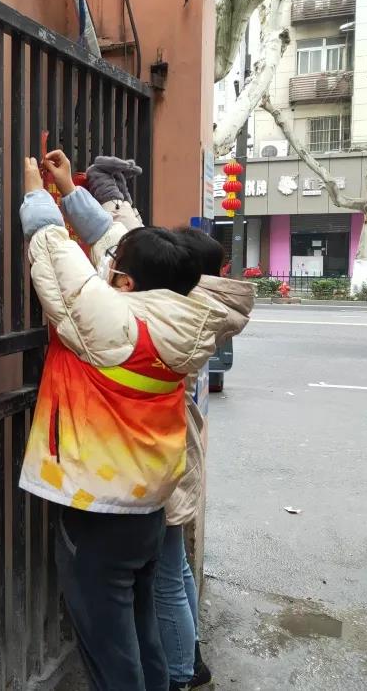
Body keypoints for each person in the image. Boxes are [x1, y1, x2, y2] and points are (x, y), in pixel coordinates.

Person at [18, 151, 233, 691]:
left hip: (100, 510)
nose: (108, 273)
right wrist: (72, 193)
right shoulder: (184, 313)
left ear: (130, 285)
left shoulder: (119, 327)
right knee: (141, 633)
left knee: (109, 650)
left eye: (116, 274)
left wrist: (38, 197)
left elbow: (61, 267)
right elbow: (119, 244)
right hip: (146, 508)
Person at [154, 228, 255, 691]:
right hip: (180, 441)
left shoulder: (186, 311)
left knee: (166, 577)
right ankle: (189, 656)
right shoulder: (207, 304)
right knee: (176, 568)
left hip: (170, 445)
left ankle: (182, 672)